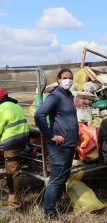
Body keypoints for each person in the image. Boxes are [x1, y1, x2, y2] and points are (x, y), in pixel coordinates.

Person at [34, 69, 79, 220]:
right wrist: (50, 135)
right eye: (65, 78)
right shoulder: (56, 96)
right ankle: (49, 213)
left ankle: (56, 206)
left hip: (69, 143)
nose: (68, 80)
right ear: (58, 79)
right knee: (56, 178)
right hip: (59, 145)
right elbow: (39, 114)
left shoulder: (69, 96)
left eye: (70, 78)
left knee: (63, 176)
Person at [0, 89, 29, 213]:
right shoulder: (16, 105)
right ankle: (5, 188)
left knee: (13, 174)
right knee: (9, 169)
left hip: (11, 143)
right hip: (22, 141)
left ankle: (15, 205)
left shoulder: (1, 108)